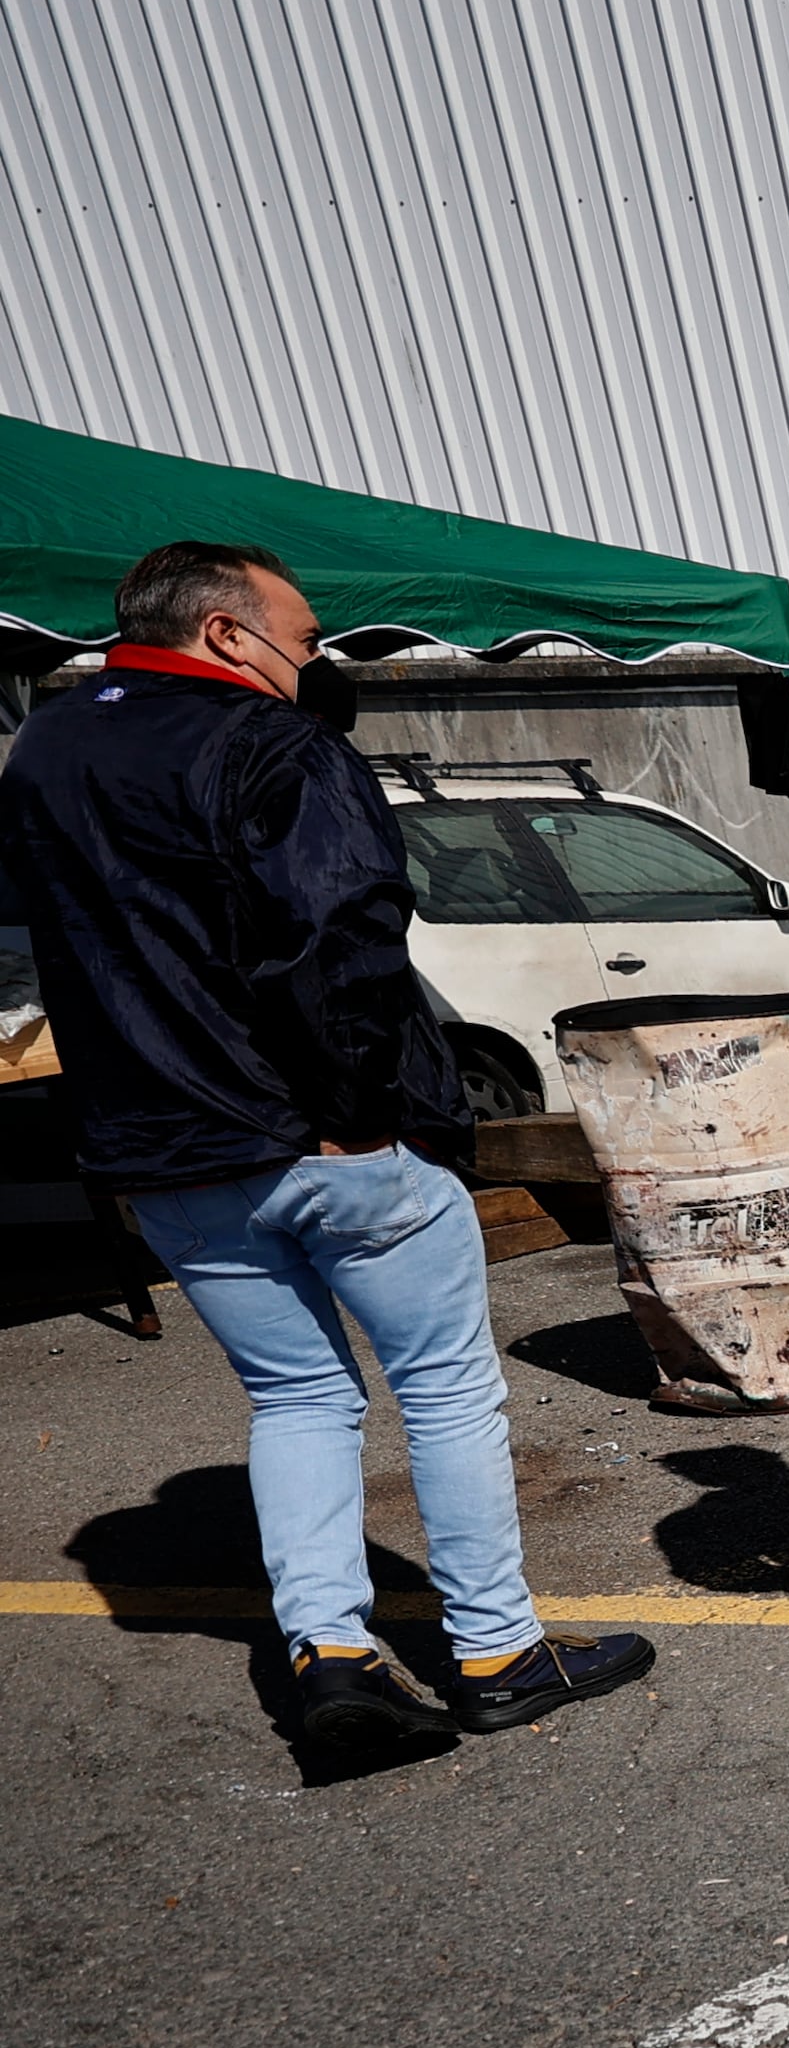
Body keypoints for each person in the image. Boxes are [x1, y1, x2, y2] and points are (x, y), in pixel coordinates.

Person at [0, 541, 651, 1747]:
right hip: (321, 1134)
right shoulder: (272, 746)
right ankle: (498, 1650)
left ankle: (333, 1656)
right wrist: (360, 1116)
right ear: (226, 634)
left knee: (295, 1397)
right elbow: (339, 940)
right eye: (303, 641)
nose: (317, 662)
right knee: (448, 1392)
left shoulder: (45, 746)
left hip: (164, 1147)